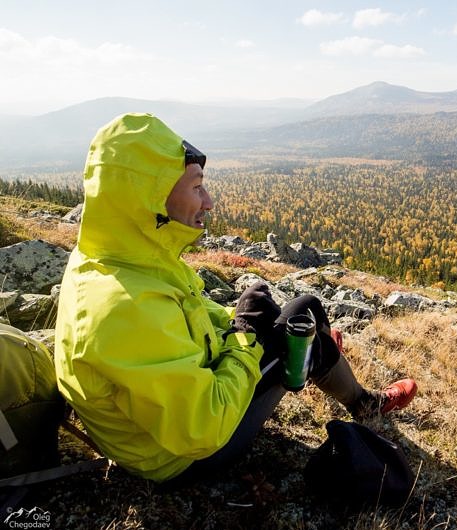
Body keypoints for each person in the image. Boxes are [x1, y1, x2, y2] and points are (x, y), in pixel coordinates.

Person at [54, 113, 417, 483]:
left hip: (169, 418)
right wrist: (246, 334)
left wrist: (238, 317)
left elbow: (187, 315)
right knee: (301, 327)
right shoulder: (122, 307)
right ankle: (348, 386)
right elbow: (203, 428)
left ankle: (326, 364)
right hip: (183, 457)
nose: (208, 201)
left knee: (297, 315)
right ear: (148, 198)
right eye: (197, 188)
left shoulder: (122, 259)